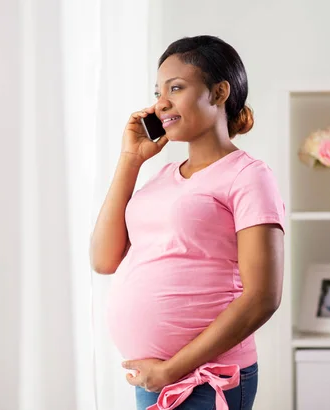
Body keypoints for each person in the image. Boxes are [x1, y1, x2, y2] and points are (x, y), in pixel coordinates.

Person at [90, 35, 285, 410]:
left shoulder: (249, 176)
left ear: (218, 92)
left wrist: (172, 370)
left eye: (176, 88)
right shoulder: (161, 176)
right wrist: (130, 159)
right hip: (155, 379)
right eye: (158, 91)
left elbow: (263, 298)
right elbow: (103, 259)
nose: (161, 102)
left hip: (205, 379)